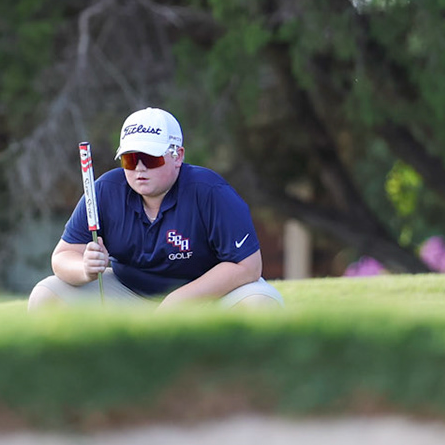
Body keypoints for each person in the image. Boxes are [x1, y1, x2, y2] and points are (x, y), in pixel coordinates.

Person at [28, 107, 284, 310]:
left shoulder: (210, 192)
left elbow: (248, 266)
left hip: (208, 296)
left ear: (178, 156)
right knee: (46, 294)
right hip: (129, 294)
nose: (139, 168)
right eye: (130, 159)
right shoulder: (105, 190)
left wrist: (178, 301)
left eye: (150, 159)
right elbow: (62, 256)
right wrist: (84, 268)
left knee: (262, 303)